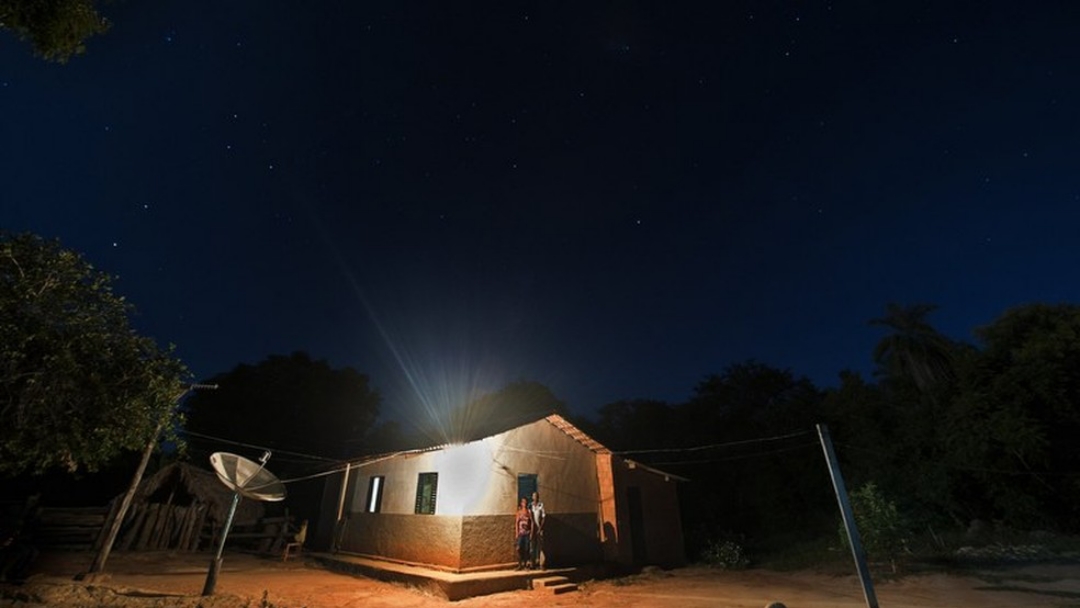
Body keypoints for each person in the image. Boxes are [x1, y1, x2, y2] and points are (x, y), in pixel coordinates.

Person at [514, 497, 532, 570]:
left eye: (526, 502)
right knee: (519, 548)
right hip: (521, 533)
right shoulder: (519, 512)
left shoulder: (529, 512)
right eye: (523, 502)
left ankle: (526, 564)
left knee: (526, 549)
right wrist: (517, 533)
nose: (525, 503)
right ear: (521, 503)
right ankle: (520, 564)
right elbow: (517, 522)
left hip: (527, 533)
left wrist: (531, 531)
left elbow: (532, 522)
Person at [529, 491, 545, 570]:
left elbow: (543, 517)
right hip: (532, 529)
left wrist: (540, 528)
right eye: (534, 496)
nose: (535, 497)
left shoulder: (540, 505)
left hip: (539, 528)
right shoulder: (530, 506)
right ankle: (532, 563)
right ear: (532, 497)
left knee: (540, 546)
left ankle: (541, 564)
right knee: (532, 546)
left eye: (536, 496)